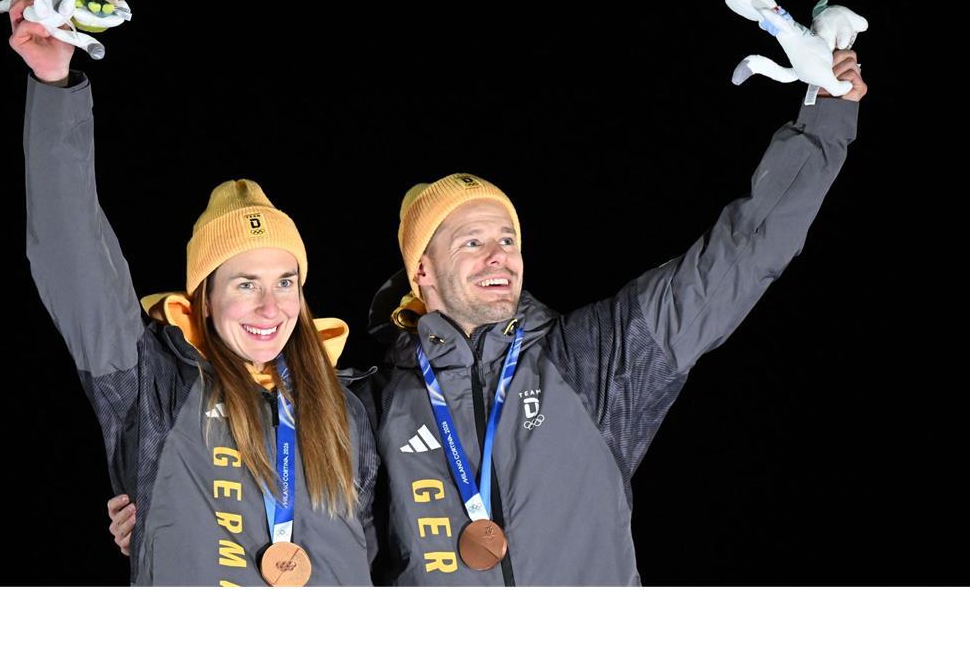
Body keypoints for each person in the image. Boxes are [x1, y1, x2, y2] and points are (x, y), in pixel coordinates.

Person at [107, 41, 866, 584]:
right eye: (472, 241)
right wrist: (160, 516)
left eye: (508, 237)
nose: (500, 254)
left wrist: (825, 118)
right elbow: (329, 529)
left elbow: (736, 260)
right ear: (422, 271)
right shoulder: (371, 399)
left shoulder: (597, 361)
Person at [12, 0, 378, 586]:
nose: (271, 306)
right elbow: (70, 249)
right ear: (203, 299)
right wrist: (55, 86)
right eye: (244, 284)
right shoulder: (151, 383)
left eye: (286, 282)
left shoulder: (347, 407)